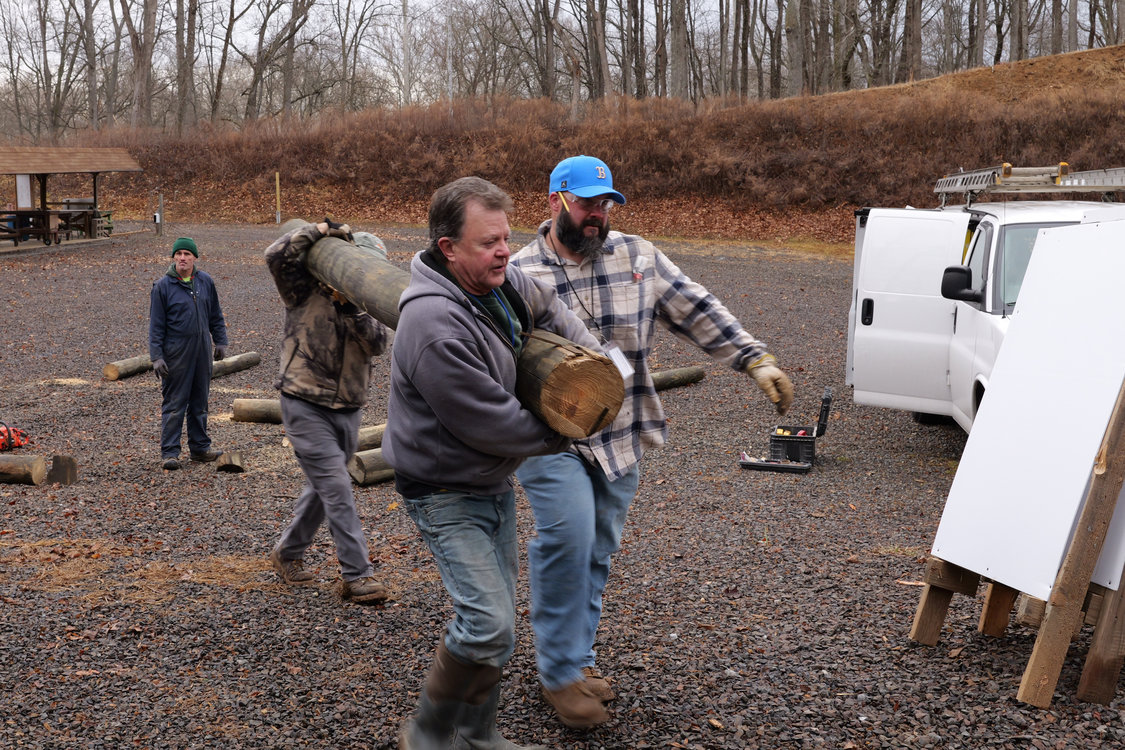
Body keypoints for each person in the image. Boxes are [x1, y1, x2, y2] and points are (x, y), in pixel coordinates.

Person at [509, 155, 796, 728]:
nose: (597, 215)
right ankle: (558, 674)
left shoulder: (638, 257)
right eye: (586, 204)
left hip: (622, 431)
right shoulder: (519, 272)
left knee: (597, 550)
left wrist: (754, 358)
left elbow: (696, 307)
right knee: (567, 540)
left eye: (605, 204)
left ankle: (577, 658)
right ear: (556, 201)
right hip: (549, 438)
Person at [384, 177, 602, 749]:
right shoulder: (433, 325)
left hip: (491, 482)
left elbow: (552, 308)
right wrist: (570, 431)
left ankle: (478, 738)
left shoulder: (501, 283)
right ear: (448, 247)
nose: (505, 251)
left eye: (506, 237)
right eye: (488, 242)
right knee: (487, 624)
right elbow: (491, 422)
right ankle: (427, 734)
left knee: (495, 628)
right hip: (442, 489)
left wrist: (595, 365)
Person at [264, 221, 391, 605]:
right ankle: (357, 575)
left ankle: (287, 553)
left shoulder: (365, 306)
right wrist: (318, 230)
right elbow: (276, 255)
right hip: (304, 402)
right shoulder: (302, 290)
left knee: (324, 491)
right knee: (336, 487)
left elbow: (378, 344)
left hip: (349, 409)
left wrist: (351, 308)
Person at [149, 236, 229, 471]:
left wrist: (220, 341)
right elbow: (156, 326)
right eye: (178, 254)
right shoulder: (163, 287)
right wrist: (157, 357)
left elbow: (215, 314)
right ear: (174, 257)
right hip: (176, 353)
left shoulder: (205, 282)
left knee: (200, 402)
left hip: (201, 350)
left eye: (187, 254)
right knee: (175, 404)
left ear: (195, 257)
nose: (182, 258)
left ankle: (200, 448)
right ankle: (170, 452)